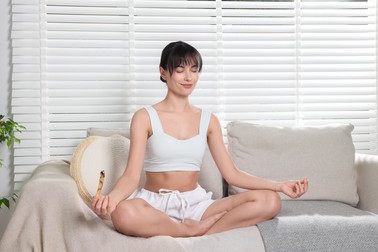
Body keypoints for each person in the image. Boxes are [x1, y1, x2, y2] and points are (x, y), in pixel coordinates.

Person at [91, 41, 309, 237]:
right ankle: (186, 230)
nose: (189, 77)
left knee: (269, 201)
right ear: (163, 72)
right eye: (180, 70)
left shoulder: (208, 120)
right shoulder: (144, 117)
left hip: (196, 205)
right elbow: (131, 176)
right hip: (154, 204)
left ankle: (199, 230)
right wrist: (111, 200)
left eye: (194, 70)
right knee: (123, 213)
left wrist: (279, 186)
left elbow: (232, 174)